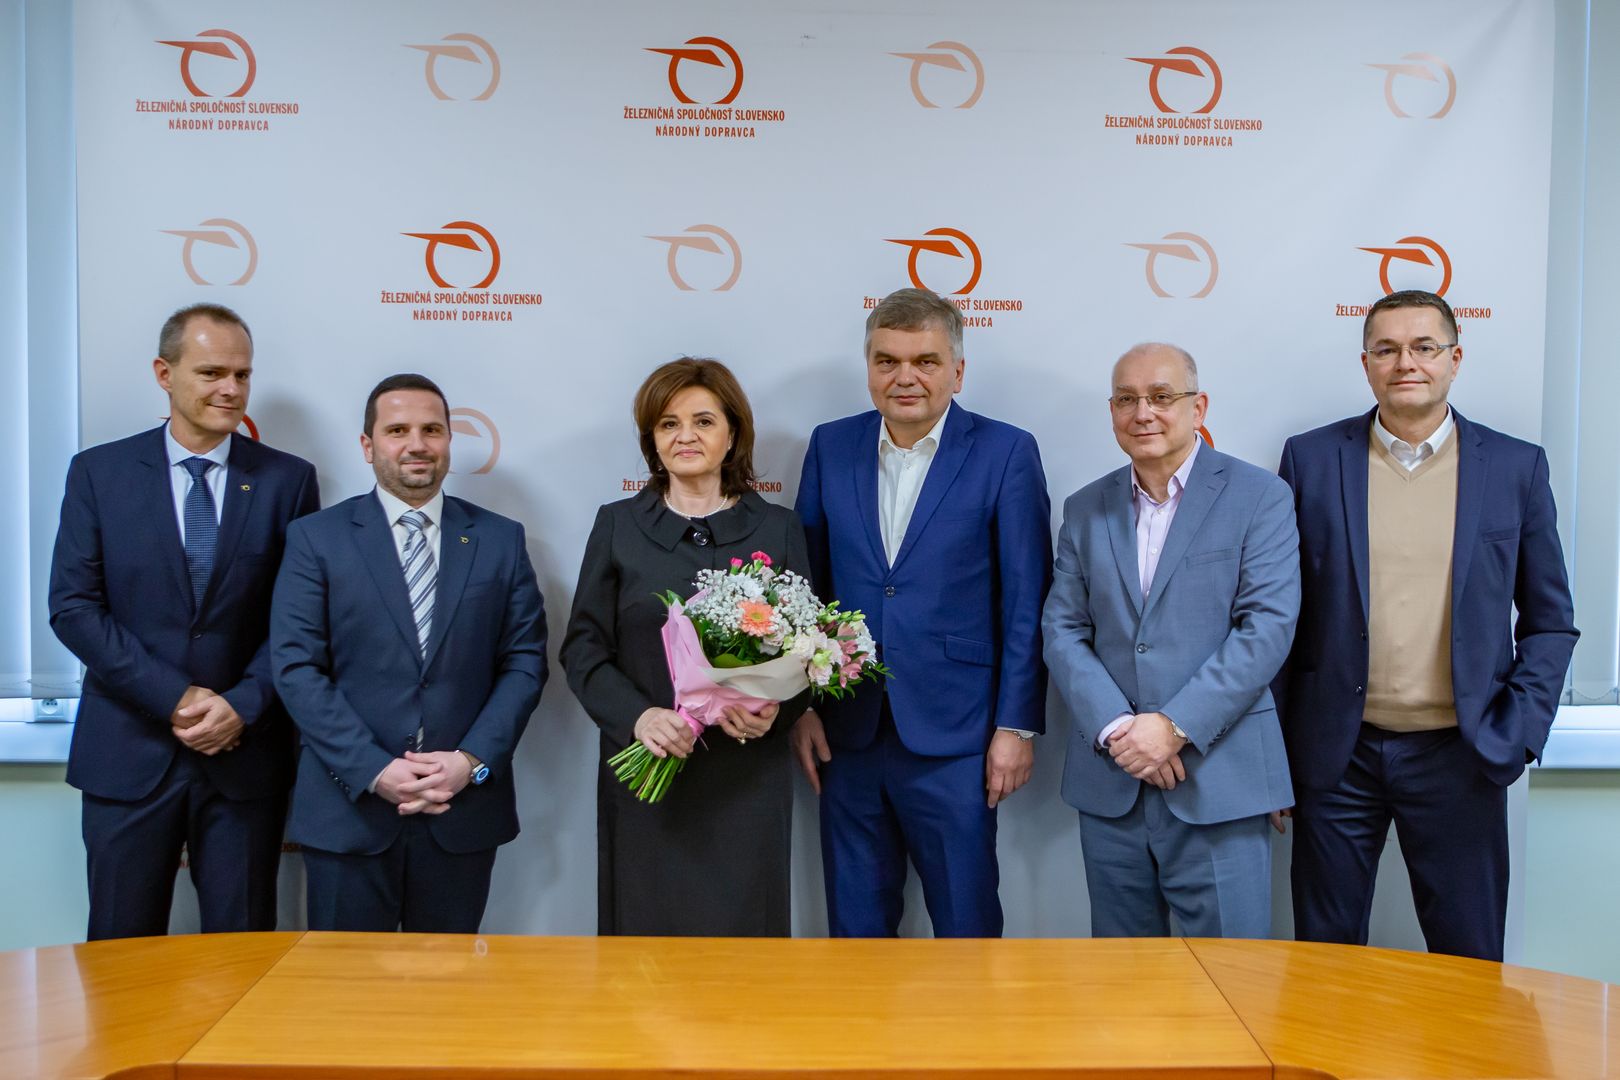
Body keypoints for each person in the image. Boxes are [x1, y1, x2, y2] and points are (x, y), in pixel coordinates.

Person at [1275, 290, 1577, 961]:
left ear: (1454, 360)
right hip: (1337, 755)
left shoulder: (1515, 467)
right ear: (1366, 364)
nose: (1405, 363)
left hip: (1461, 754)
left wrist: (1519, 731)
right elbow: (1280, 617)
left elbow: (1551, 621)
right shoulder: (1311, 460)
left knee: (1469, 961)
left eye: (1423, 347)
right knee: (1324, 963)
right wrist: (1274, 757)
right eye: (1386, 349)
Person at [49, 302, 320, 940]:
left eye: (242, 374)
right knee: (121, 958)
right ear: (164, 374)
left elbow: (299, 620)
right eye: (212, 372)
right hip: (128, 753)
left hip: (242, 756)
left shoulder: (287, 480)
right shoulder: (99, 473)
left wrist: (242, 705)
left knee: (241, 959)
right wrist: (175, 698)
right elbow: (74, 607)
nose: (231, 389)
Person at [791, 287, 1051, 938]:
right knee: (855, 931)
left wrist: (1017, 726)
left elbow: (1027, 599)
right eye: (887, 361)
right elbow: (806, 587)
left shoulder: (1006, 452)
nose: (904, 377)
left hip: (958, 736)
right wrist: (803, 707)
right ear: (869, 367)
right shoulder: (830, 445)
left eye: (925, 361)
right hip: (847, 733)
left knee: (966, 928)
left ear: (957, 371)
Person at [270, 373, 546, 933]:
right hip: (350, 813)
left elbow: (524, 661)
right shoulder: (316, 539)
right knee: (344, 983)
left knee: (449, 985)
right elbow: (297, 668)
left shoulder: (500, 539)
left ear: (449, 441)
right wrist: (374, 770)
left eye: (431, 430)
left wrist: (470, 761)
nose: (417, 444)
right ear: (368, 445)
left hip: (460, 812)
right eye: (397, 430)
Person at [1042, 343, 1298, 938]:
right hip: (1113, 782)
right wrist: (1119, 729)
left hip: (1219, 781)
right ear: (1112, 411)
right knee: (1123, 980)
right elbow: (1062, 628)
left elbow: (1266, 628)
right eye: (1126, 399)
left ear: (1198, 407)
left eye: (1162, 397)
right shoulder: (1085, 508)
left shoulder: (1259, 496)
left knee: (1231, 978)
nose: (1144, 413)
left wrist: (1173, 727)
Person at [561, 358, 808, 936]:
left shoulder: (780, 529)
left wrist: (775, 713)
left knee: (745, 955)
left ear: (733, 434)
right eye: (668, 424)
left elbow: (810, 654)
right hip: (648, 775)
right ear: (652, 439)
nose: (685, 436)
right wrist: (638, 716)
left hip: (747, 779)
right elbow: (583, 650)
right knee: (643, 955)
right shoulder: (618, 525)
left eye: (703, 421)